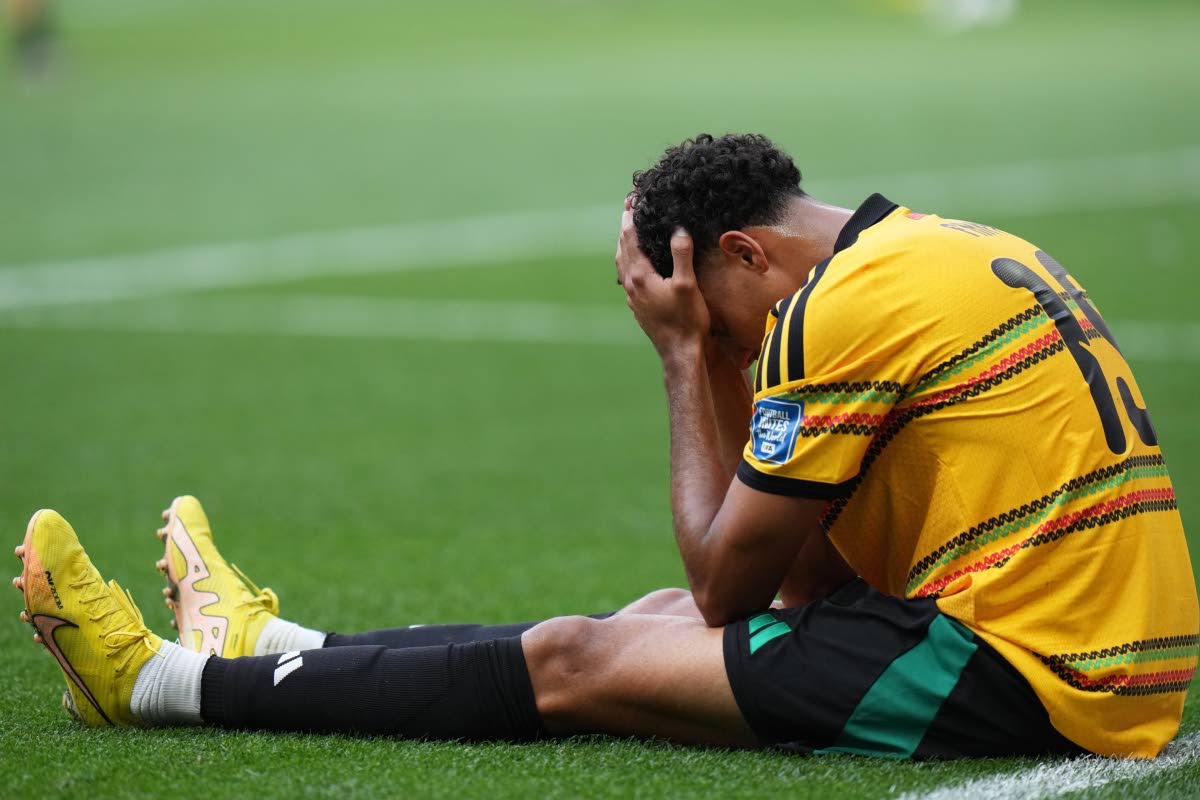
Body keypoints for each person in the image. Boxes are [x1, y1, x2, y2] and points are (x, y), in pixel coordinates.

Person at [14, 133, 1196, 759]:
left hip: (1043, 673)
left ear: (740, 251)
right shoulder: (929, 249)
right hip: (1077, 633)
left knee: (585, 657)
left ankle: (161, 686)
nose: (739, 349)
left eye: (718, 313)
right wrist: (725, 349)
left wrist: (685, 360)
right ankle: (272, 644)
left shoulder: (842, 308)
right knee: (644, 620)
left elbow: (731, 582)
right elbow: (802, 586)